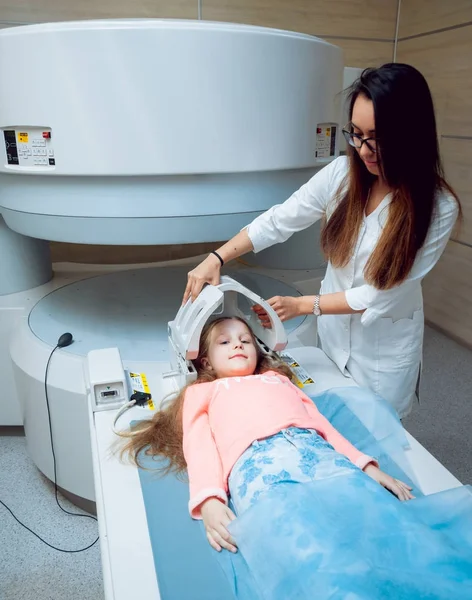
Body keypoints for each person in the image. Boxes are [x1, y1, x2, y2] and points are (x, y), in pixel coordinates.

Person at [182, 63, 462, 419]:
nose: (363, 150)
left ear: (410, 134)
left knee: (379, 439)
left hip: (383, 354)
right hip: (331, 338)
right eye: (356, 134)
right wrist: (217, 258)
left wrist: (304, 306)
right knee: (329, 419)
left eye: (377, 137)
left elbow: (377, 296)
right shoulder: (341, 176)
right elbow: (280, 219)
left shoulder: (438, 207)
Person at [121, 316, 413, 554]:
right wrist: (209, 499)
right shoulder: (203, 391)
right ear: (206, 362)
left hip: (314, 451)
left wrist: (365, 465)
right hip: (258, 463)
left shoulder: (277, 380)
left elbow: (322, 425)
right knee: (296, 536)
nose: (237, 344)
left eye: (245, 340)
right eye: (225, 341)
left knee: (367, 513)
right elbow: (199, 446)